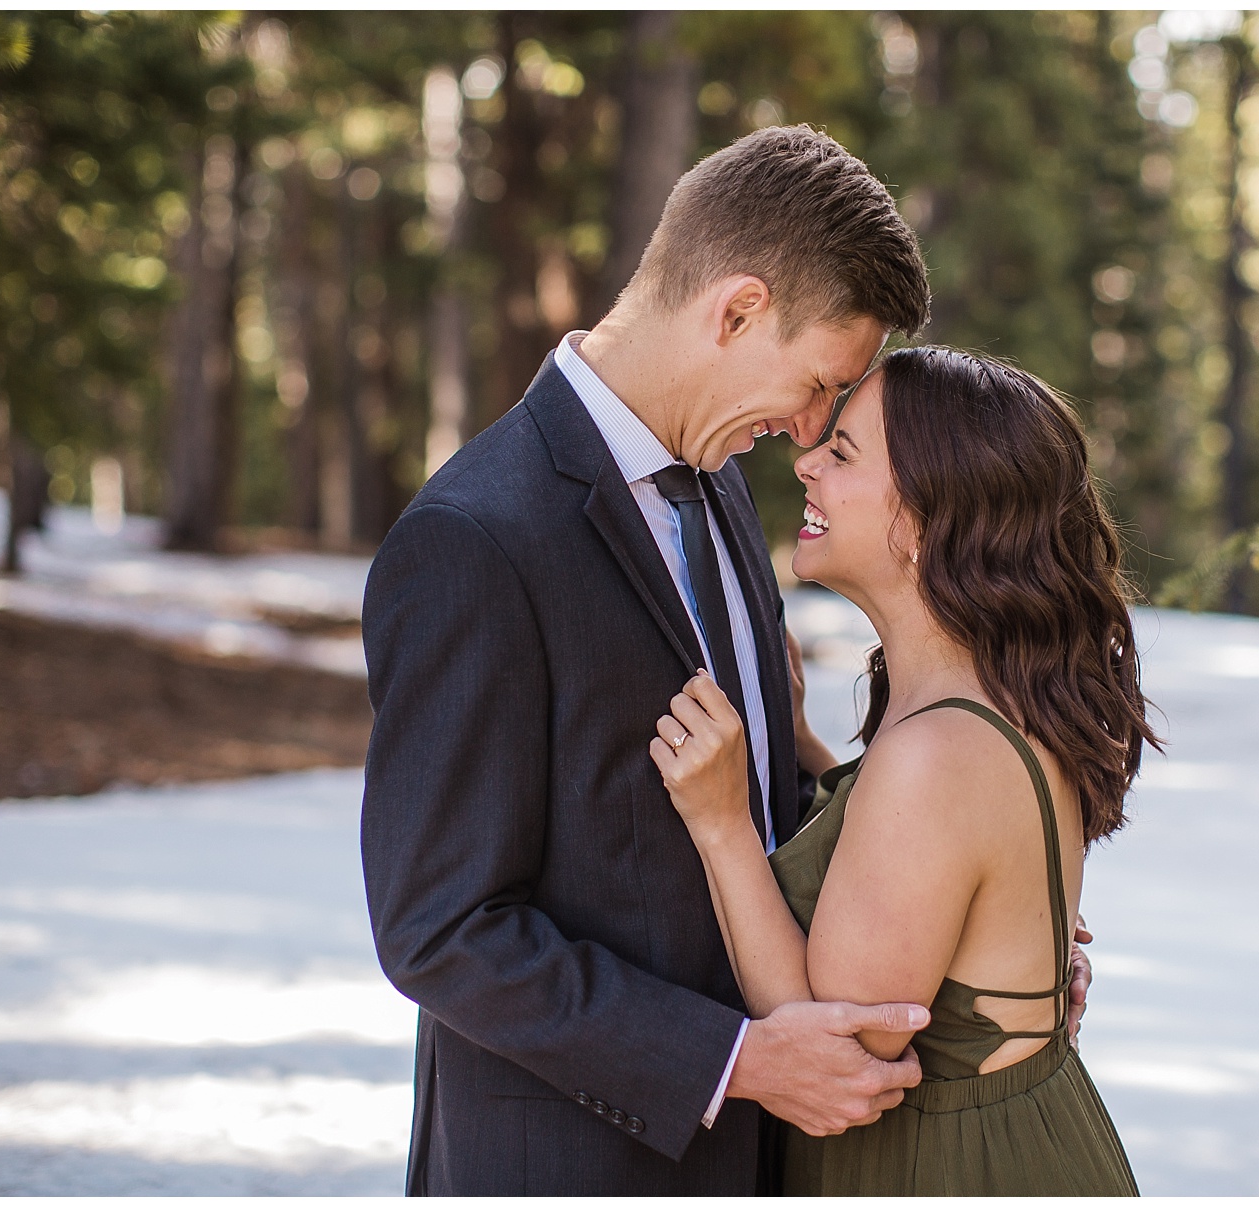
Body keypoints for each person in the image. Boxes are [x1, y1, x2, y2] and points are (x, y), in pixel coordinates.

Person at [362, 126, 975, 1195]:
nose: (811, 429)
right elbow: (441, 930)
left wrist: (967, 920)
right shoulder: (472, 540)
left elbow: (767, 797)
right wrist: (733, 1061)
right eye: (820, 381)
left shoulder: (718, 478)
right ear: (736, 311)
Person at [651, 346, 1157, 1194]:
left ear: (930, 519)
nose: (806, 461)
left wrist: (720, 822)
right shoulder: (993, 697)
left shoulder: (934, 754)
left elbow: (840, 1048)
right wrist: (805, 743)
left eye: (843, 452)